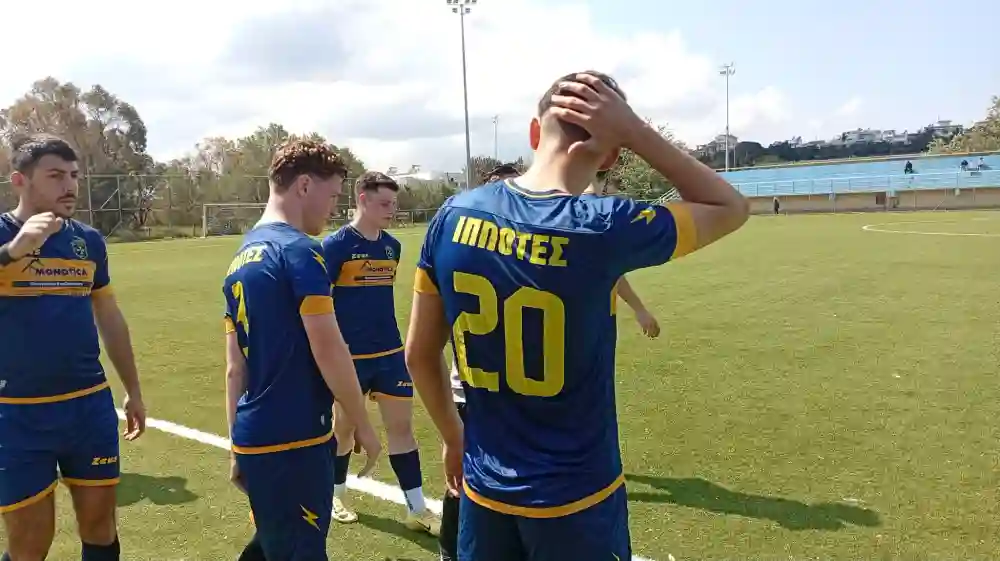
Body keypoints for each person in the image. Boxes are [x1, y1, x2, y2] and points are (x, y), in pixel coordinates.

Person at [404, 71, 748, 561]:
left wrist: (453, 437)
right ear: (611, 156)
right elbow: (730, 206)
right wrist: (636, 131)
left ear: (534, 132)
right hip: (578, 498)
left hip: (485, 491)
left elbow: (419, 355)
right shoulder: (603, 226)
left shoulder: (452, 217)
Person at [223, 139, 382, 561]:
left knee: (273, 545)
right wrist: (362, 423)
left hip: (256, 437)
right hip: (295, 439)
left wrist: (236, 444)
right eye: (332, 196)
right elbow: (329, 347)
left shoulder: (240, 258)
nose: (333, 208)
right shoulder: (300, 251)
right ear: (305, 186)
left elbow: (235, 367)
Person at [0, 134, 147, 561]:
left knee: (100, 527)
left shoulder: (88, 241)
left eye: (74, 175)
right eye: (55, 176)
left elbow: (110, 317)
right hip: (16, 413)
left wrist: (133, 390)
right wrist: (12, 252)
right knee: (30, 542)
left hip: (87, 407)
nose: (69, 186)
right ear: (20, 181)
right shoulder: (4, 235)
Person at [320, 171, 440, 535]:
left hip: (390, 353)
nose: (392, 210)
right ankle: (336, 495)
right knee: (343, 430)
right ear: (362, 199)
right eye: (385, 203)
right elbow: (320, 303)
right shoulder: (335, 246)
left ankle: (417, 510)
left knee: (402, 429)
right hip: (349, 358)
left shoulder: (392, 247)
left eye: (394, 203)